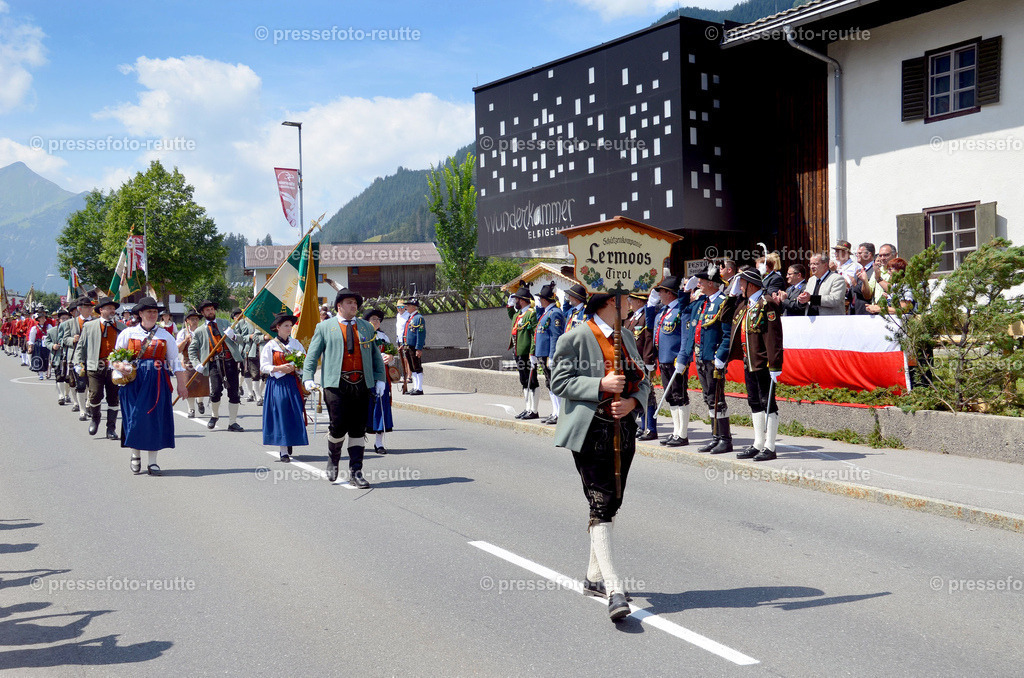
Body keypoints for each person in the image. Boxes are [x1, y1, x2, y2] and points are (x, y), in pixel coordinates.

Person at [550, 291, 651, 622]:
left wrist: (633, 403)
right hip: (590, 430)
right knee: (601, 502)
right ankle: (613, 589)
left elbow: (644, 380)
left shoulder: (626, 337)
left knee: (613, 502)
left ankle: (594, 578)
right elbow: (559, 381)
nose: (630, 306)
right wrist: (601, 384)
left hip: (623, 430)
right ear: (610, 303)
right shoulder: (575, 336)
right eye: (626, 301)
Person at [302, 288, 386, 488]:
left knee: (358, 429)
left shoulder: (366, 327)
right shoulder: (325, 327)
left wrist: (380, 378)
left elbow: (375, 356)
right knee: (338, 426)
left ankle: (356, 472)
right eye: (349, 302)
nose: (354, 306)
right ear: (339, 306)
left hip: (362, 384)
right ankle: (333, 458)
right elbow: (312, 356)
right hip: (336, 384)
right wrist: (307, 377)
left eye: (356, 303)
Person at [111, 296, 188, 476]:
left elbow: (175, 362)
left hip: (157, 382)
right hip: (133, 381)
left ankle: (153, 462)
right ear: (140, 313)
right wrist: (120, 366)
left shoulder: (165, 335)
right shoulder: (128, 334)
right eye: (149, 312)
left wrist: (181, 385)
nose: (153, 315)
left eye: (155, 312)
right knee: (134, 418)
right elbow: (113, 358)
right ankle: (135, 455)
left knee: (154, 419)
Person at [728, 270, 783, 462]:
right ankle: (759, 443)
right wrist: (732, 295)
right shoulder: (746, 305)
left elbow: (773, 337)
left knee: (767, 402)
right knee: (754, 402)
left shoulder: (766, 304)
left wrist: (775, 364)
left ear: (751, 284)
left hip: (763, 363)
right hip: (749, 361)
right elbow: (727, 315)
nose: (740, 287)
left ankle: (770, 446)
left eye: (742, 283)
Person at [680, 263, 733, 454]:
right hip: (701, 357)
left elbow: (727, 333)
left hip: (713, 358)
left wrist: (721, 356)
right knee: (709, 398)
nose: (699, 284)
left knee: (718, 398)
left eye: (701, 281)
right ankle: (715, 436)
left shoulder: (722, 302)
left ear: (712, 283)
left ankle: (725, 439)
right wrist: (685, 291)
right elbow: (684, 311)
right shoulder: (703, 302)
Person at [73, 296, 125, 439]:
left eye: (114, 308)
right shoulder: (90, 326)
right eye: (109, 308)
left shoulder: (121, 327)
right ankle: (95, 419)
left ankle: (111, 428)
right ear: (101, 310)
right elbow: (81, 346)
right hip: (94, 366)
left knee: (114, 398)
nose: (112, 311)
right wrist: (78, 363)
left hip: (115, 368)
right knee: (95, 395)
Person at [188, 299, 245, 431]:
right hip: (214, 364)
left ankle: (232, 422)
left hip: (230, 361)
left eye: (212, 309)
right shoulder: (200, 331)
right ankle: (214, 416)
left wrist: (234, 336)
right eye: (207, 310)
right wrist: (197, 364)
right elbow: (192, 350)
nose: (211, 311)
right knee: (215, 392)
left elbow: (241, 338)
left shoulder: (225, 323)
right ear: (203, 312)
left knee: (234, 392)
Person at [260, 312, 309, 463]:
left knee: (294, 412)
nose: (289, 328)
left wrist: (296, 368)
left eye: (290, 326)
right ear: (278, 327)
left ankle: (290, 440)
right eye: (286, 326)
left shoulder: (296, 344)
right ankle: (283, 450)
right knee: (280, 413)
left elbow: (304, 363)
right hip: (278, 384)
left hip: (293, 382)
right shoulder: (271, 345)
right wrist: (279, 368)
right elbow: (264, 366)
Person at [653, 276, 690, 446]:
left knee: (679, 395)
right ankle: (676, 431)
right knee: (670, 397)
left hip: (675, 360)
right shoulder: (663, 312)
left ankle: (682, 434)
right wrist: (649, 308)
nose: (659, 294)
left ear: (669, 293)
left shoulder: (680, 311)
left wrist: (682, 358)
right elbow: (653, 330)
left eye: (661, 291)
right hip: (663, 359)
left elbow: (685, 337)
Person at [626, 292, 658, 441]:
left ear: (640, 301)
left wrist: (648, 360)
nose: (630, 302)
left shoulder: (645, 317)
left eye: (632, 299)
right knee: (640, 394)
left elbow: (648, 339)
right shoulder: (631, 318)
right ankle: (643, 426)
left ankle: (651, 428)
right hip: (632, 362)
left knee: (648, 396)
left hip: (643, 362)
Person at [533, 282, 566, 425]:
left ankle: (559, 414)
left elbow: (555, 336)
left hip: (548, 354)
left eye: (541, 298)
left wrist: (553, 356)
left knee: (554, 384)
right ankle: (555, 412)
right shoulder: (547, 312)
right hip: (542, 353)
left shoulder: (555, 313)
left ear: (546, 299)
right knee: (549, 384)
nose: (539, 301)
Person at [363, 308, 394, 454]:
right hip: (365, 375)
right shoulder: (361, 336)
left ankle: (379, 443)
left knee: (381, 407)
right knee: (363, 407)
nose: (376, 321)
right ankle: (357, 439)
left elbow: (391, 354)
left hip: (382, 376)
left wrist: (390, 358)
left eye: (378, 319)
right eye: (373, 319)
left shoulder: (383, 337)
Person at [507, 284, 539, 419]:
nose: (515, 302)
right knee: (523, 380)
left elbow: (534, 334)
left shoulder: (531, 314)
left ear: (524, 300)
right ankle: (527, 408)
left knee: (532, 381)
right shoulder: (518, 315)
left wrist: (533, 353)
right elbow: (512, 317)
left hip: (526, 353)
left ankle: (534, 410)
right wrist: (509, 306)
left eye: (517, 300)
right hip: (518, 352)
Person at [175, 309, 208, 418]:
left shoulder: (203, 331)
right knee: (189, 385)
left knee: (202, 385)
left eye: (197, 319)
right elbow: (177, 350)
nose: (195, 321)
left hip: (201, 361)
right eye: (192, 319)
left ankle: (200, 401)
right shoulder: (183, 332)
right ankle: (191, 409)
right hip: (188, 362)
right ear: (187, 321)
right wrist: (185, 340)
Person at [399, 298, 425, 395]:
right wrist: (403, 344)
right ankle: (415, 387)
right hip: (407, 346)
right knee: (412, 367)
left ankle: (419, 388)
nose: (407, 307)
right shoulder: (410, 318)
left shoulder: (419, 318)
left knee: (417, 367)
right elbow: (406, 332)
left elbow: (420, 334)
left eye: (409, 306)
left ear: (414, 307)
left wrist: (419, 348)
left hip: (414, 346)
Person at [27, 312, 50, 380]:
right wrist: (30, 346)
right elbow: (32, 338)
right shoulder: (34, 328)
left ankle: (47, 372)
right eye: (41, 318)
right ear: (38, 319)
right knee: (39, 359)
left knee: (47, 358)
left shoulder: (48, 326)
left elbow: (52, 334)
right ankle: (41, 374)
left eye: (44, 317)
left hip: (46, 344)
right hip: (38, 345)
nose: (43, 319)